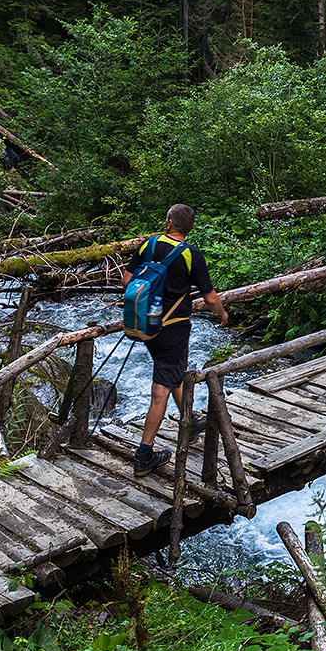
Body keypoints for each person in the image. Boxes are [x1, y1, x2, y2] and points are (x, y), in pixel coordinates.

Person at [120, 203, 229, 476]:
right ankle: (144, 453)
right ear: (191, 228)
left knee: (172, 371)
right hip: (174, 327)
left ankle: (190, 422)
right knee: (161, 390)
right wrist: (222, 313)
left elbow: (126, 280)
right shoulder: (192, 255)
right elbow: (210, 297)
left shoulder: (148, 244)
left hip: (147, 325)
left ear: (168, 223)